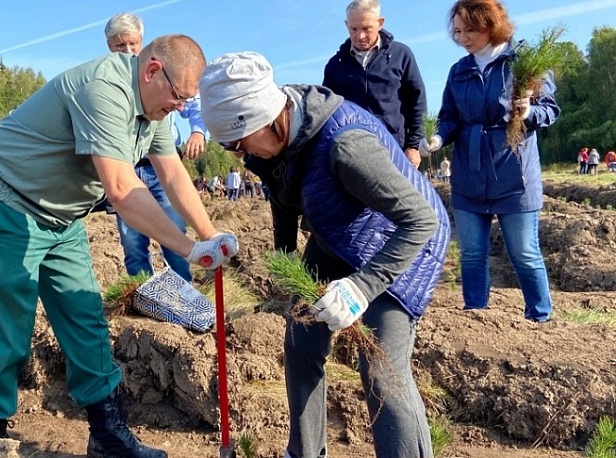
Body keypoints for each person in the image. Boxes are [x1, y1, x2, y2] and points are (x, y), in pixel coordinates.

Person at [0, 34, 237, 458]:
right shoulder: (104, 90)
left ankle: (107, 436)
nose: (181, 108)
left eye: (186, 101)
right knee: (9, 321)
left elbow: (173, 174)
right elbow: (123, 190)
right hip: (4, 198)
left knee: (85, 318)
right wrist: (186, 247)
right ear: (153, 70)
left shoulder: (155, 107)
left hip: (60, 215)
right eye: (179, 97)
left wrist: (209, 233)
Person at [201, 51, 450, 458]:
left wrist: (362, 286)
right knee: (301, 345)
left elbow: (421, 221)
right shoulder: (275, 143)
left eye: (237, 142)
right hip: (337, 231)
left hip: (398, 239)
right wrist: (284, 267)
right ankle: (304, 452)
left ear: (263, 117)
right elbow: (283, 200)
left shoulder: (346, 145)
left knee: (382, 369)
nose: (238, 155)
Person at [420, 0, 559, 322]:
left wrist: (528, 113)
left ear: (491, 25)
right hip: (469, 174)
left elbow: (550, 110)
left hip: (514, 173)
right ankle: (476, 317)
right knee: (472, 254)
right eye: (457, 31)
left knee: (524, 253)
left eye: (470, 30)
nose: (463, 38)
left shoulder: (523, 62)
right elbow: (449, 117)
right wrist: (438, 138)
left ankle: (540, 318)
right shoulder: (460, 70)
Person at [104, 13, 208, 282]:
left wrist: (198, 131)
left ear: (142, 44)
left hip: (162, 168)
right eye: (119, 46)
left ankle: (184, 295)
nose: (127, 51)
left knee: (175, 233)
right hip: (126, 169)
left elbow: (193, 106)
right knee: (132, 243)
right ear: (109, 47)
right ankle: (144, 296)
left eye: (132, 44)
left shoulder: (165, 75)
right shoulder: (109, 86)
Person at [323, 0, 427, 169]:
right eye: (353, 29)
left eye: (366, 28)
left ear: (380, 23)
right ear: (346, 25)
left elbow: (417, 101)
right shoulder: (335, 65)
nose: (360, 36)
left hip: (395, 150)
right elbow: (326, 112)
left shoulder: (401, 55)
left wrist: (413, 145)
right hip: (351, 154)